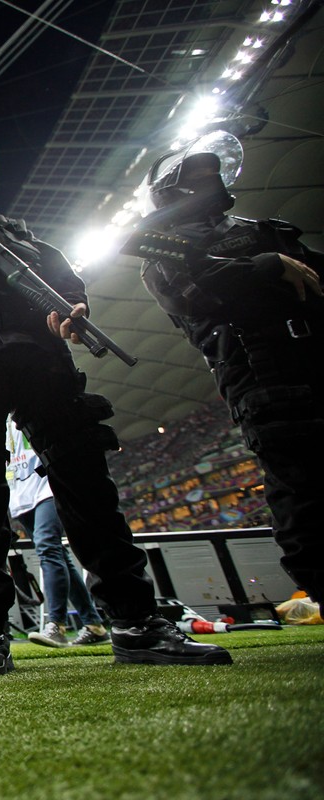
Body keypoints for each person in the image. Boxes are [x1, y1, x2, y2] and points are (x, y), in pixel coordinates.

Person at [0, 129, 230, 676]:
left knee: (85, 481)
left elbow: (66, 279)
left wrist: (75, 306)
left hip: (40, 354)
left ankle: (135, 622)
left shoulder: (19, 235)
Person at [137, 130, 323, 607]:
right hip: (260, 371)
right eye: (196, 178)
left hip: (314, 356)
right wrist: (263, 267)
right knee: (300, 483)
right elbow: (196, 295)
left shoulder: (265, 230)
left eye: (212, 173)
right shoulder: (161, 247)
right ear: (170, 191)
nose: (210, 182)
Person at [6, 418, 109, 648]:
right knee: (58, 555)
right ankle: (94, 625)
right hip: (21, 496)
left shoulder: (26, 406)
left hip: (47, 487)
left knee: (47, 547)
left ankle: (56, 625)